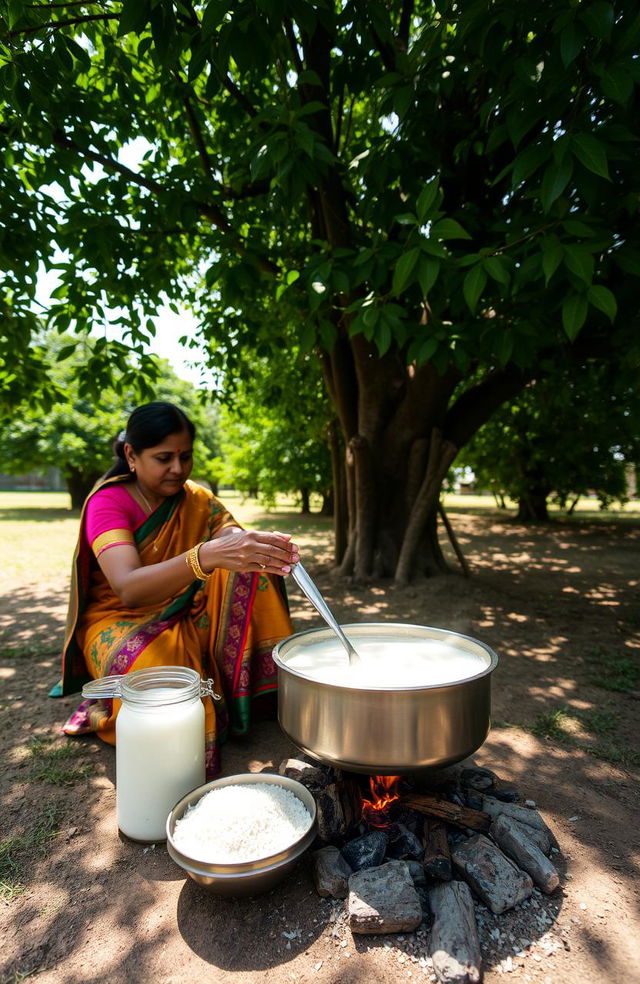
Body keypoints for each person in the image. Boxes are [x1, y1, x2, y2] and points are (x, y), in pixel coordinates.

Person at [52, 401, 299, 776]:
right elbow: (129, 588)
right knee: (163, 681)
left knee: (251, 568)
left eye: (186, 456)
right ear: (131, 455)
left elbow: (226, 531)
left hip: (189, 605)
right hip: (121, 618)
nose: (178, 469)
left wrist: (248, 543)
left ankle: (252, 699)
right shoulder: (109, 502)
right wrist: (204, 557)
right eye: (164, 457)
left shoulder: (195, 497)